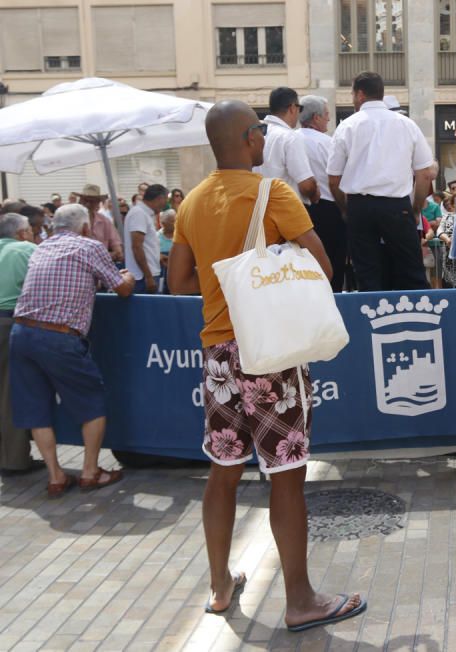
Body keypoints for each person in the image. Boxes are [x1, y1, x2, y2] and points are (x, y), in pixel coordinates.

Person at [167, 100, 365, 631]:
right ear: (252, 137)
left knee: (223, 472)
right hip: (270, 353)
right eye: (260, 133)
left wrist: (224, 283)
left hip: (218, 355)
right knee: (285, 477)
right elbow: (321, 265)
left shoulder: (191, 203)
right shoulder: (273, 192)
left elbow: (179, 282)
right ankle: (300, 600)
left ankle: (219, 586)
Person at [9, 204, 135, 497]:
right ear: (86, 227)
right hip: (59, 336)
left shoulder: (39, 247)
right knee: (91, 402)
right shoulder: (89, 246)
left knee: (35, 408)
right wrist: (127, 277)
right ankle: (91, 472)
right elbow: (123, 289)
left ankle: (55, 476)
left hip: (22, 332)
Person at [328, 72, 435, 291]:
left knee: (367, 274)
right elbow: (424, 173)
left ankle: (372, 323)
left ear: (359, 94)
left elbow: (333, 179)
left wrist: (345, 208)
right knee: (411, 271)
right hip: (397, 205)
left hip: (360, 205)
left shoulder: (347, 126)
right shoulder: (406, 124)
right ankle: (420, 321)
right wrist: (415, 208)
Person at [0, 214, 41, 475]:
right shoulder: (27, 249)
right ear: (22, 233)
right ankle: (14, 460)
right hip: (10, 323)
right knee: (9, 393)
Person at [299, 95, 348, 292]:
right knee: (332, 265)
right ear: (316, 118)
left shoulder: (290, 139)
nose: (329, 119)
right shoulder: (328, 143)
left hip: (298, 210)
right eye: (327, 115)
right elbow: (340, 178)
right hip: (329, 209)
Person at [254, 87, 320, 205]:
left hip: (256, 208)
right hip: (284, 210)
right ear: (293, 108)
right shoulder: (290, 137)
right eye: (300, 108)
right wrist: (315, 194)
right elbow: (306, 185)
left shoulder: (254, 133)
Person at [125, 184, 169, 294]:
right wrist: (148, 276)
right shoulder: (139, 213)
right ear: (160, 198)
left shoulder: (144, 213)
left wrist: (158, 256)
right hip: (142, 277)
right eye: (165, 200)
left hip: (147, 275)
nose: (165, 205)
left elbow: (144, 245)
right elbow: (136, 246)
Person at [76, 184, 124, 262]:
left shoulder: (104, 221)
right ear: (80, 201)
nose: (88, 203)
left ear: (98, 202)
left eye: (92, 201)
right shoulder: (72, 220)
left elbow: (117, 248)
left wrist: (117, 253)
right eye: (85, 200)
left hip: (101, 265)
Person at [158, 209, 176, 294]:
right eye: (173, 221)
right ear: (164, 223)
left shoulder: (181, 235)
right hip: (162, 274)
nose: (176, 224)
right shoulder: (156, 237)